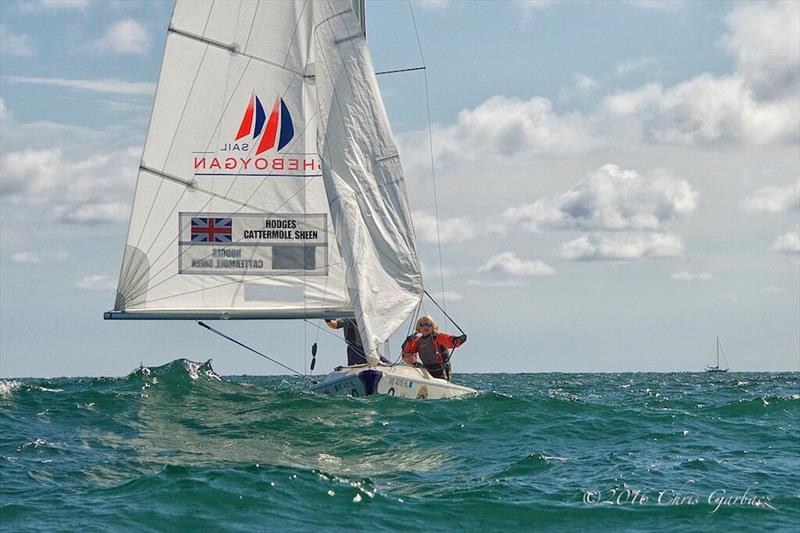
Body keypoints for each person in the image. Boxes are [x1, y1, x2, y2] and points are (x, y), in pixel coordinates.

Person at [401, 315, 467, 381]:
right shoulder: (418, 341)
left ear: (433, 327)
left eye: (428, 324)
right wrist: (409, 341)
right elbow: (408, 351)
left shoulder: (437, 337)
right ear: (418, 328)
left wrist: (457, 340)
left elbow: (448, 340)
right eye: (422, 325)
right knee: (407, 357)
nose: (425, 327)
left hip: (440, 370)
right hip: (426, 369)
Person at [325, 318, 391, 366]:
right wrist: (327, 318)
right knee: (354, 367)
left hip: (371, 348)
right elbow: (335, 325)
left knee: (389, 365)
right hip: (354, 349)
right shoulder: (348, 319)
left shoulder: (369, 318)